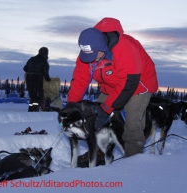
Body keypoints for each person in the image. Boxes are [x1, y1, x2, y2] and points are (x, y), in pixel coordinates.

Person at [67, 17, 158, 157]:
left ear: (103, 47)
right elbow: (80, 79)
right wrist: (71, 106)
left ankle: (133, 159)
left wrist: (106, 108)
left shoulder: (125, 47)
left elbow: (128, 83)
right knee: (93, 117)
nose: (91, 60)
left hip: (138, 86)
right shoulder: (88, 50)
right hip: (111, 85)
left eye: (94, 56)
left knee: (132, 125)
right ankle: (98, 153)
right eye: (87, 56)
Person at [23, 47, 51, 112]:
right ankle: (35, 111)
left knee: (32, 95)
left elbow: (25, 69)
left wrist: (31, 69)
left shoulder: (31, 59)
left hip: (29, 78)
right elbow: (46, 74)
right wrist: (49, 80)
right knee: (38, 96)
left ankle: (31, 110)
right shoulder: (44, 62)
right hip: (37, 79)